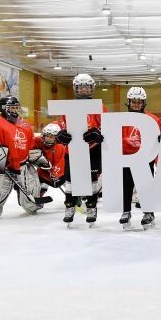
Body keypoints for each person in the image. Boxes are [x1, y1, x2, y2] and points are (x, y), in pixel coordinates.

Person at [55, 73, 108, 227]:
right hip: (73, 150)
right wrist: (61, 133)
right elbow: (63, 124)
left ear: (92, 88)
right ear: (76, 89)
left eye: (87, 86)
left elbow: (106, 126)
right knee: (70, 181)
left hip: (93, 150)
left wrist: (97, 132)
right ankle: (69, 206)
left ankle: (91, 207)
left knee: (92, 181)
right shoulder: (69, 107)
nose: (84, 90)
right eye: (81, 87)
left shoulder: (100, 107)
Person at [0, 96, 41, 218]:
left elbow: (31, 143)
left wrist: (34, 156)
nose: (14, 111)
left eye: (16, 108)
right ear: (3, 108)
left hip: (23, 163)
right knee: (2, 187)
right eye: (10, 108)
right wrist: (1, 160)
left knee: (29, 187)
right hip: (7, 164)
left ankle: (31, 205)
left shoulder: (25, 124)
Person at [119, 87, 161, 229]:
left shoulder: (153, 119)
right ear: (129, 102)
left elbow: (159, 140)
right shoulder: (120, 120)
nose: (136, 104)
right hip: (126, 158)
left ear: (144, 103)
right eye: (134, 102)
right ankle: (126, 211)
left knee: (145, 187)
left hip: (145, 158)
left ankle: (149, 212)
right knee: (126, 186)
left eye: (139, 102)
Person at [33, 123, 66, 197]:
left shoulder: (59, 147)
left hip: (59, 175)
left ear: (56, 138)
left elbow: (60, 163)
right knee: (36, 179)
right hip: (43, 171)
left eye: (51, 137)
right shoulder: (39, 141)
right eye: (47, 136)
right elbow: (30, 145)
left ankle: (75, 196)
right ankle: (40, 192)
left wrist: (55, 174)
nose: (48, 138)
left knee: (67, 183)